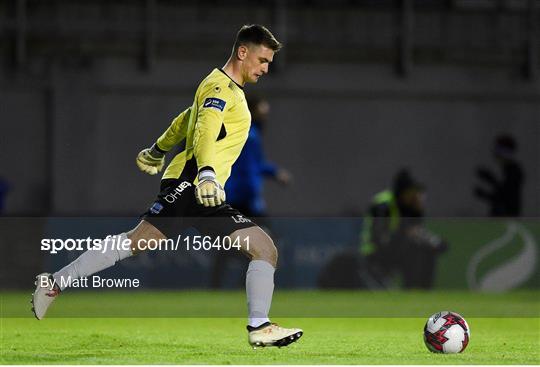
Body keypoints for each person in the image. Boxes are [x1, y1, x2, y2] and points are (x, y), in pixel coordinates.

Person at [32, 24, 303, 348]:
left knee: (263, 248)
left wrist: (157, 149)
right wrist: (204, 173)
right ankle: (54, 283)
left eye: (269, 63)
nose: (266, 68)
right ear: (242, 52)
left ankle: (259, 326)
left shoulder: (221, 88)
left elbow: (184, 120)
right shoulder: (221, 88)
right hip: (193, 184)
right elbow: (204, 130)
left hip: (204, 191)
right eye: (262, 60)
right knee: (137, 242)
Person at [359, 169, 447, 289]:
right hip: (375, 251)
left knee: (427, 250)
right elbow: (379, 236)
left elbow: (416, 230)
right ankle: (409, 289)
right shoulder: (383, 203)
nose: (414, 196)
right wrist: (404, 235)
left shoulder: (411, 205)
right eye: (410, 192)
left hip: (397, 247)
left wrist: (434, 241)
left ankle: (423, 293)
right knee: (413, 249)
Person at [225, 95, 292, 217]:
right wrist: (253, 199)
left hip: (239, 196)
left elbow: (256, 163)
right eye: (262, 113)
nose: (265, 117)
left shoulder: (249, 133)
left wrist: (274, 172)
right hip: (242, 198)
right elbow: (248, 168)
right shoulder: (249, 135)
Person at [474, 134, 524, 217]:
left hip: (506, 217)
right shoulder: (510, 170)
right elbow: (504, 192)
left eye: (499, 150)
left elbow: (505, 196)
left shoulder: (513, 171)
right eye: (496, 150)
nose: (496, 154)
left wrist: (485, 191)